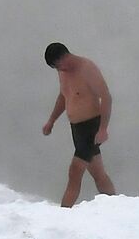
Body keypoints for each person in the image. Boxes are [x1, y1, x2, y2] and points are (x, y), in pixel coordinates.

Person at [41, 42, 116, 207]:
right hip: (77, 129)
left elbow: (106, 97)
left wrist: (103, 128)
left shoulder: (87, 68)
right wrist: (51, 121)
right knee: (98, 173)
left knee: (75, 171)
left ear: (64, 57)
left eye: (58, 65)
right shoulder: (63, 72)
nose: (58, 70)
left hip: (91, 126)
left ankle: (63, 213)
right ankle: (115, 204)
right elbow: (64, 96)